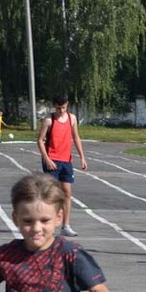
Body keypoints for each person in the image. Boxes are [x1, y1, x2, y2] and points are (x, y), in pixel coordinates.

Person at [37, 94, 87, 237]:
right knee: (50, 194)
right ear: (54, 106)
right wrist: (46, 158)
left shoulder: (72, 118)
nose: (61, 111)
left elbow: (76, 137)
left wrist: (82, 157)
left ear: (67, 105)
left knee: (66, 193)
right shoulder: (49, 120)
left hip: (66, 161)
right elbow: (40, 141)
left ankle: (65, 225)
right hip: (52, 160)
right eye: (59, 108)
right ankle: (46, 224)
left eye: (64, 108)